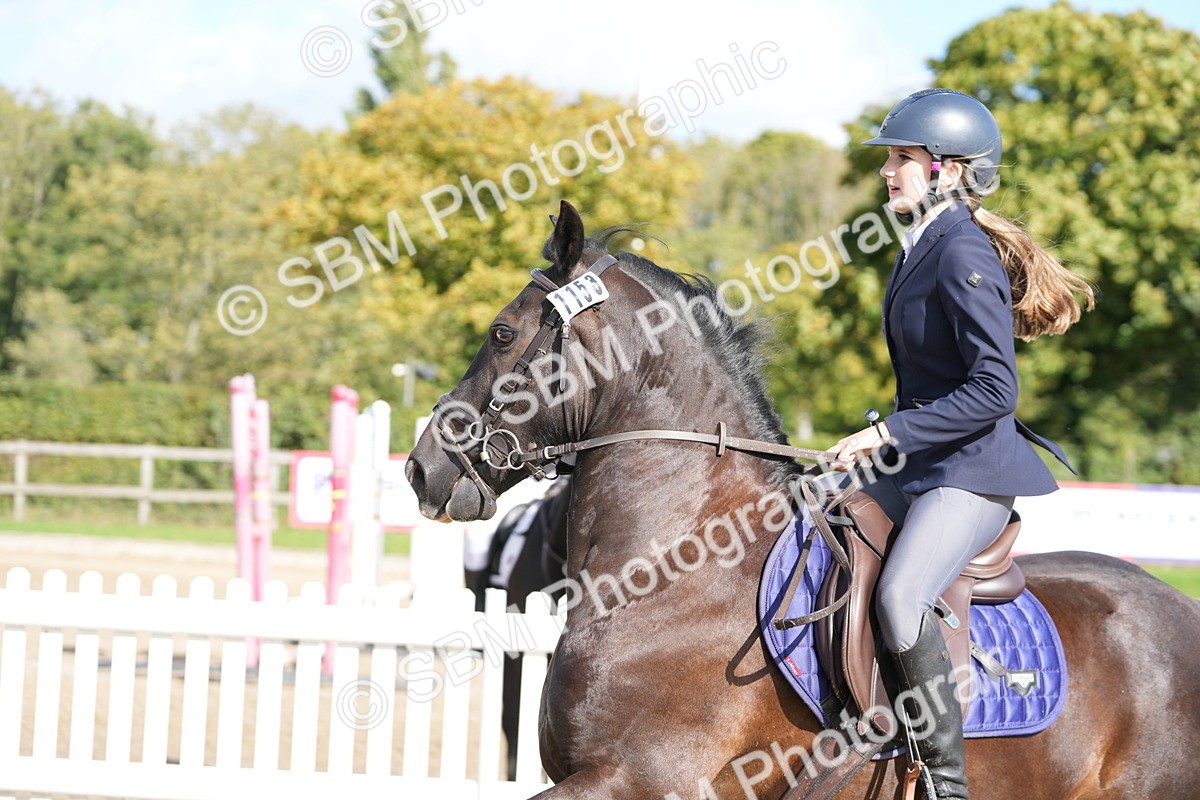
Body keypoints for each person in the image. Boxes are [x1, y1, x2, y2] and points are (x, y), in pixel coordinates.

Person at [827, 88, 1095, 799]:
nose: (887, 171)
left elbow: (993, 392)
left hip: (972, 473)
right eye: (888, 159)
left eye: (902, 159)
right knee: (812, 520)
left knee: (901, 597)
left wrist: (889, 433)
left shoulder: (960, 252)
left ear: (948, 171)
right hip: (919, 462)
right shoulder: (920, 246)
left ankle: (948, 785)